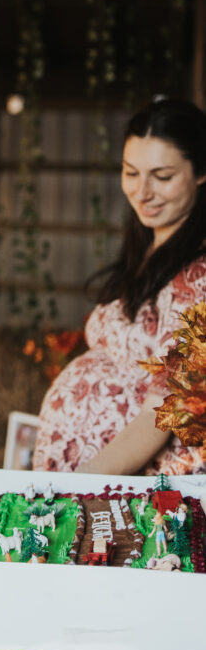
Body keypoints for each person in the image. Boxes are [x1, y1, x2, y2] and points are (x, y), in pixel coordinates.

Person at [33, 97, 206, 477]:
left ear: (200, 172)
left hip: (129, 489)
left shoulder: (199, 276)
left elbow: (166, 411)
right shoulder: (149, 251)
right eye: (131, 172)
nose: (142, 192)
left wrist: (79, 485)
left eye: (162, 176)